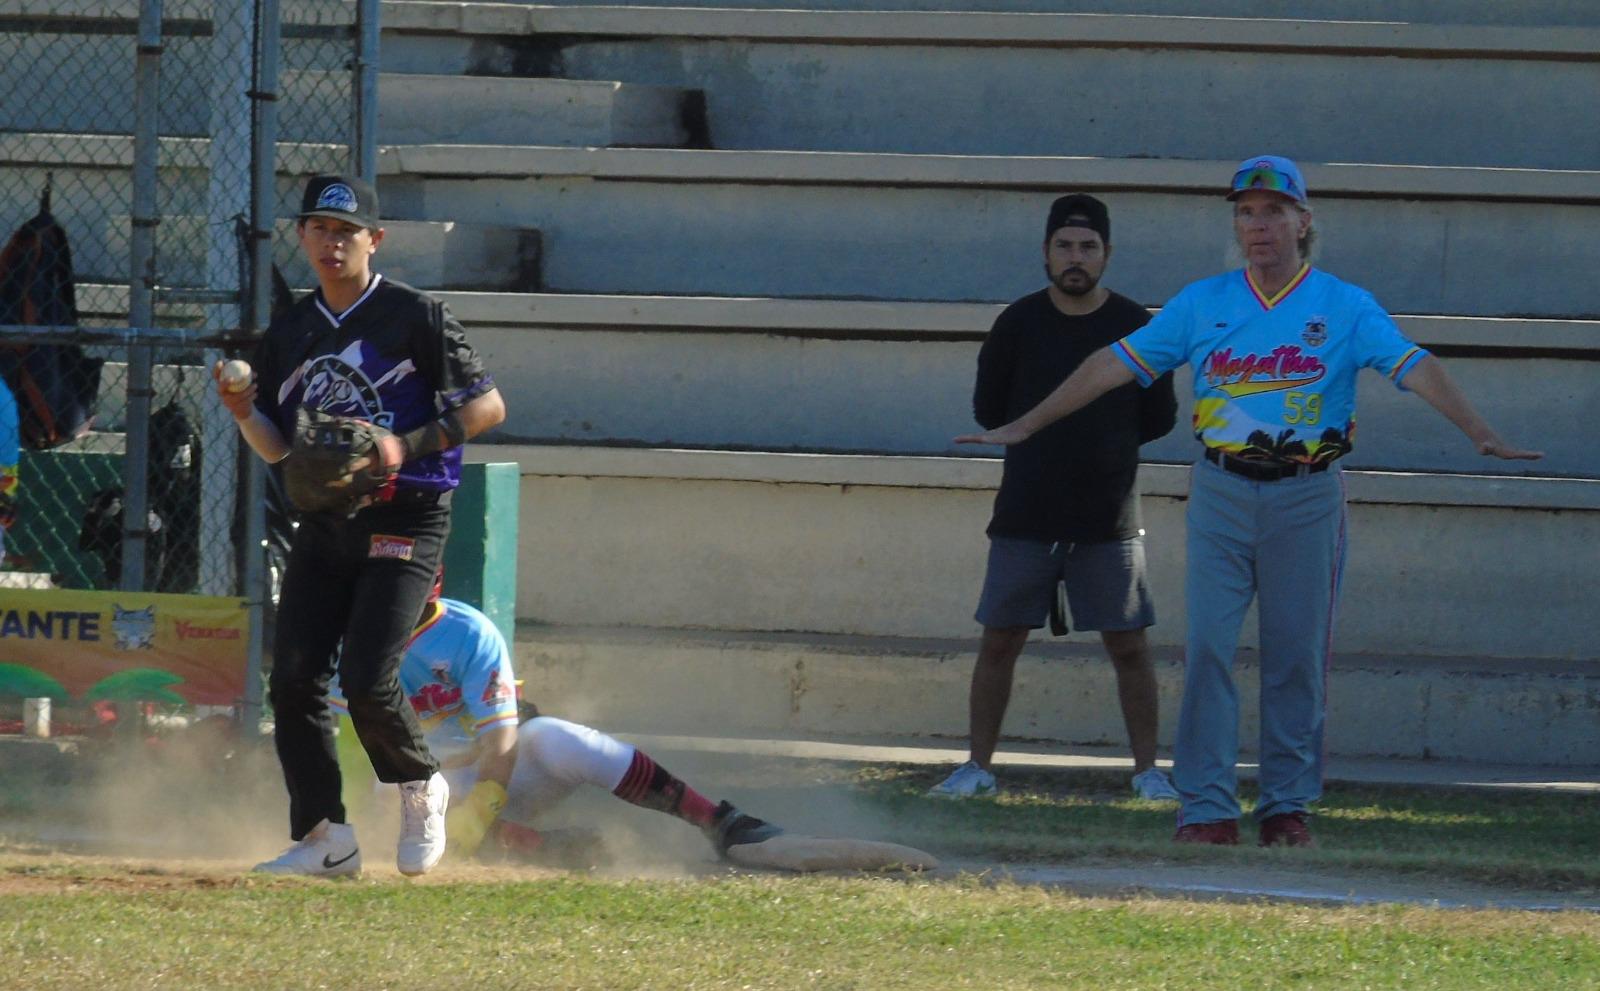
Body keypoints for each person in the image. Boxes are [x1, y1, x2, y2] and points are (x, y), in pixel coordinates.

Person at [956, 156, 1540, 847]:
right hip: (1223, 488)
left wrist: (1479, 431)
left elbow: (1415, 366)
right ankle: (1205, 806)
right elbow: (1113, 364)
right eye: (1246, 212)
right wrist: (1027, 423)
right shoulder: (1205, 301)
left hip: (1307, 490)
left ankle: (1287, 804)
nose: (1258, 226)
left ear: (1303, 221)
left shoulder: (1343, 304)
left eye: (1272, 211)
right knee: (1207, 648)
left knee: (1295, 655)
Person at [215, 174, 507, 876]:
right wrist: (244, 412)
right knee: (292, 678)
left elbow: (488, 407)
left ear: (374, 240)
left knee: (370, 677)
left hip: (406, 512)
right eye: (319, 228)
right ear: (303, 237)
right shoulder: (292, 330)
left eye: (346, 231)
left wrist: (403, 445)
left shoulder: (416, 316)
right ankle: (325, 838)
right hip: (326, 518)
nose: (331, 241)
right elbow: (284, 450)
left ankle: (419, 784)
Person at [930, 194, 1180, 802]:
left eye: (1088, 248)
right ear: (1045, 253)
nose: (1076, 259)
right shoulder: (1017, 323)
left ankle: (1148, 772)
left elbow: (1159, 416)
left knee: (1129, 645)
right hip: (1026, 512)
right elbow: (990, 411)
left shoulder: (1137, 325)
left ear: (1107, 255)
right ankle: (978, 768)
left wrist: (1101, 448)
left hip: (1108, 517)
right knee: (1000, 639)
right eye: (1064, 247)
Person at [329, 586, 783, 875]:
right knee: (390, 791)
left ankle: (719, 821)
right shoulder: (349, 642)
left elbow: (501, 741)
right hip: (421, 790)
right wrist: (361, 823)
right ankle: (548, 848)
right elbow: (353, 746)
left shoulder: (468, 633)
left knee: (552, 736)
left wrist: (480, 813)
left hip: (494, 774)